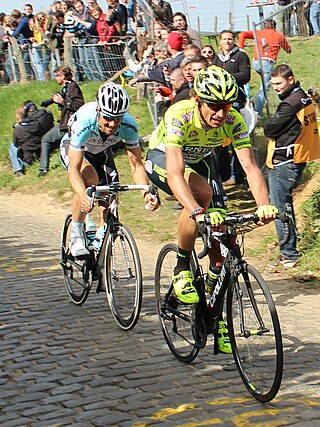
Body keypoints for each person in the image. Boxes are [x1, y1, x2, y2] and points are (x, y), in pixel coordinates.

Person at [145, 66, 277, 305]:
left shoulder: (233, 120)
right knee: (201, 194)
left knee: (222, 220)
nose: (221, 113)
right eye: (214, 106)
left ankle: (215, 276)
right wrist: (196, 212)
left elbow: (251, 167)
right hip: (163, 158)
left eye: (226, 106)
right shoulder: (179, 114)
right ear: (197, 100)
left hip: (200, 160)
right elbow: (175, 173)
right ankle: (182, 266)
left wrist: (263, 206)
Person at [60, 83, 159, 257]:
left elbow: (136, 165)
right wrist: (84, 196)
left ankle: (100, 243)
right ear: (98, 110)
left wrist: (146, 192)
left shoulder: (129, 125)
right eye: (107, 117)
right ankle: (76, 233)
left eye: (118, 118)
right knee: (89, 180)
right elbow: (74, 169)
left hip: (101, 150)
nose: (113, 124)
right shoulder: (85, 121)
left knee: (111, 194)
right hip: (76, 149)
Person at [264, 64, 320, 267]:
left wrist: (270, 124)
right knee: (278, 202)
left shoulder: (290, 104)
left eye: (279, 83)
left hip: (285, 162)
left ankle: (289, 253)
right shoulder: (303, 96)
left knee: (281, 208)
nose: (276, 88)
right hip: (296, 158)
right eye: (273, 85)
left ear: (290, 79)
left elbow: (269, 128)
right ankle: (288, 248)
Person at [213, 30, 251, 186]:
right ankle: (223, 174)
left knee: (236, 138)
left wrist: (226, 77)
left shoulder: (240, 56)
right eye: (224, 39)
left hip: (235, 100)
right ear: (220, 41)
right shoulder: (217, 58)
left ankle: (237, 175)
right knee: (220, 141)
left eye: (230, 39)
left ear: (234, 40)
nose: (227, 42)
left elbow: (245, 75)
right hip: (219, 101)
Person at [238, 18, 291, 117]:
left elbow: (242, 34)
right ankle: (256, 112)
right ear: (275, 27)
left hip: (256, 62)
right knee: (264, 89)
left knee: (263, 85)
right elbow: (288, 49)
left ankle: (255, 104)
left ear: (264, 27)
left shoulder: (258, 33)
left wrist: (241, 48)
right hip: (267, 63)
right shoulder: (279, 36)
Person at [39, 66, 84, 177]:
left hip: (68, 125)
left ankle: (43, 169)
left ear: (63, 76)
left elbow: (79, 104)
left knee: (46, 139)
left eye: (57, 75)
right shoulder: (66, 87)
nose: (55, 78)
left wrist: (62, 101)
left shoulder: (72, 87)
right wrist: (49, 102)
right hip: (65, 123)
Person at [9, 101, 54, 176]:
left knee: (12, 146)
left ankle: (18, 169)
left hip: (28, 160)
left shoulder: (18, 130)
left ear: (17, 118)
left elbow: (16, 144)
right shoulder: (37, 124)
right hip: (42, 152)